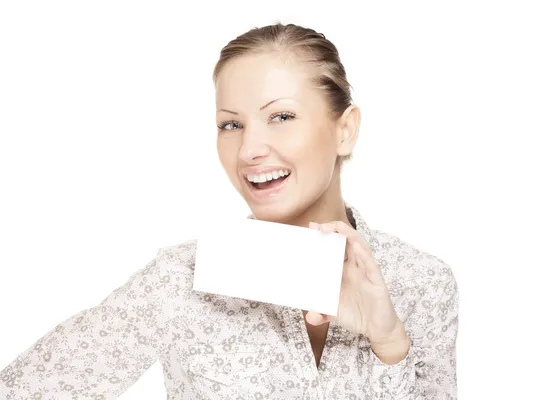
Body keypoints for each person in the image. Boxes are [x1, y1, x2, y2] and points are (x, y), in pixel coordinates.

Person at [0, 23, 459, 399]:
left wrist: (389, 342)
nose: (250, 149)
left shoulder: (421, 282)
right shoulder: (182, 279)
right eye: (230, 125)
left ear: (345, 130)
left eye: (281, 116)